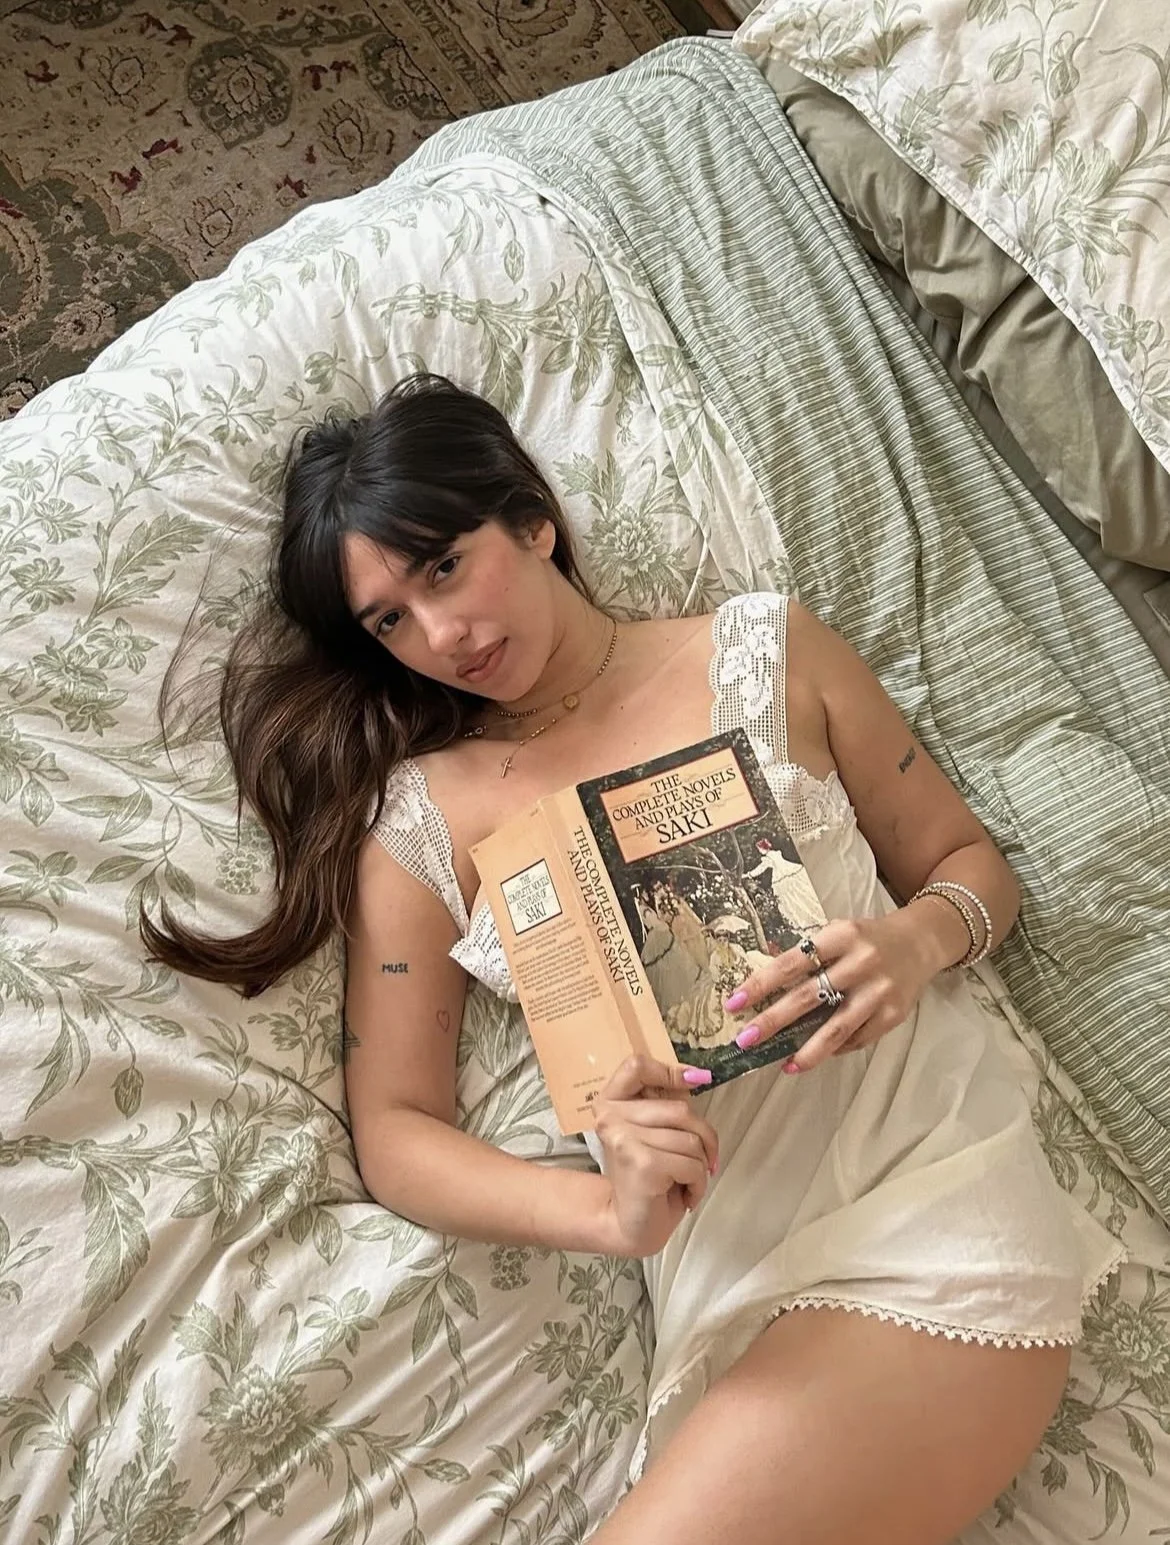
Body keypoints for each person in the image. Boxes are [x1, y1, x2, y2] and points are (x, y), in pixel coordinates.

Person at [146, 374, 1122, 1545]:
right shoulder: (424, 819)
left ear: (531, 518)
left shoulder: (765, 651)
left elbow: (971, 863)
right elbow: (397, 1132)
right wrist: (604, 1215)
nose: (442, 637)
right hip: (722, 1286)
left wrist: (916, 940)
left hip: (928, 1211)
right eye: (390, 621)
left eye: (445, 566)